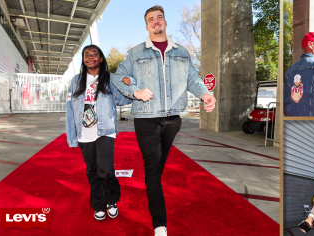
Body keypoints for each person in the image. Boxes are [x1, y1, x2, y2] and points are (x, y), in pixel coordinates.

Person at [112, 5, 216, 236]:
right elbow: (120, 76)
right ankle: (160, 225)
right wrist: (136, 91)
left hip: (172, 120)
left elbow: (193, 78)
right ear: (146, 26)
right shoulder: (136, 52)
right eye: (151, 19)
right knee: (152, 168)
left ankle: (153, 191)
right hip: (146, 119)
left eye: (160, 17)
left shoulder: (182, 52)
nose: (156, 21)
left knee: (157, 169)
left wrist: (205, 94)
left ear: (166, 23)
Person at [66, 45, 132, 221]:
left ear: (101, 58)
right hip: (84, 132)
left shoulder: (110, 79)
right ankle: (98, 204)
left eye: (94, 54)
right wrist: (72, 136)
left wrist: (129, 84)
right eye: (86, 55)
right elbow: (70, 109)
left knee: (106, 170)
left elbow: (122, 100)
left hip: (105, 130)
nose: (90, 57)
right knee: (92, 170)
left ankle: (112, 200)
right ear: (84, 59)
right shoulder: (76, 80)